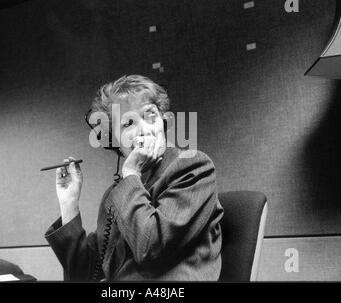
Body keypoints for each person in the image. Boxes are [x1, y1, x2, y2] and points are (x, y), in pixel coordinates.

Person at [44, 75, 224, 281]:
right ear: (115, 142)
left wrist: (130, 174)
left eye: (151, 116)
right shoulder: (117, 193)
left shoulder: (192, 167)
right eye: (128, 123)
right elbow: (83, 275)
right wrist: (69, 204)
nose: (144, 130)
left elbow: (152, 249)